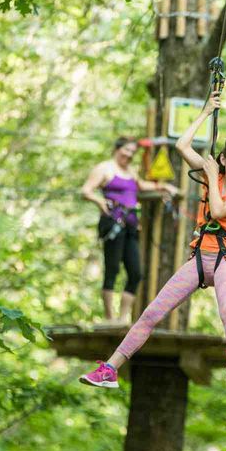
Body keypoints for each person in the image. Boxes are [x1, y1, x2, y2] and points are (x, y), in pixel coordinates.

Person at [80, 92, 226, 387]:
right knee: (152, 312)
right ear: (225, 159)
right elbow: (181, 145)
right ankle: (110, 368)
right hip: (201, 258)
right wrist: (204, 113)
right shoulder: (213, 171)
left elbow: (217, 210)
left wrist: (213, 174)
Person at [82, 137, 179, 324]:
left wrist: (163, 186)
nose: (128, 154)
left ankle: (123, 318)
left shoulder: (130, 171)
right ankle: (110, 319)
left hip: (131, 226)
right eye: (126, 150)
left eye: (132, 152)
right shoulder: (105, 168)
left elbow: (142, 186)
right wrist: (99, 201)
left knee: (135, 273)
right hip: (113, 224)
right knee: (112, 269)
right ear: (117, 149)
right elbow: (86, 191)